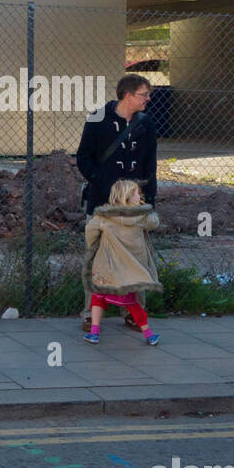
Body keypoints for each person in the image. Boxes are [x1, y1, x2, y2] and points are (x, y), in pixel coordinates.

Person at [76, 73, 157, 332]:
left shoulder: (146, 124)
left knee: (135, 257)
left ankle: (134, 313)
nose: (148, 99)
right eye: (144, 94)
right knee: (96, 257)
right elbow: (83, 157)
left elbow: (150, 164)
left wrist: (148, 198)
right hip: (102, 203)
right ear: (128, 95)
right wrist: (102, 181)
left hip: (134, 205)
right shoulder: (98, 118)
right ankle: (90, 314)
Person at [83, 179, 161, 345]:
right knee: (132, 303)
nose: (139, 196)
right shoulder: (141, 216)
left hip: (107, 267)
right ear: (128, 196)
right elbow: (155, 222)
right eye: (136, 193)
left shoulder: (104, 215)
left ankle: (94, 333)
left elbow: (90, 230)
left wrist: (93, 246)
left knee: (97, 298)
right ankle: (149, 334)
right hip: (129, 270)